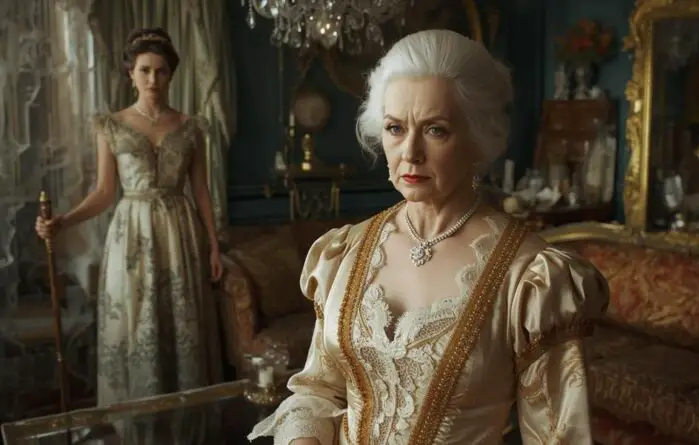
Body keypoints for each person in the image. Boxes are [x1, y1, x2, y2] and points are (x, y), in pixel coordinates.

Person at [248, 29, 610, 445]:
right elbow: (319, 389)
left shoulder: (530, 277)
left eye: (436, 130)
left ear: (478, 136)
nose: (410, 152)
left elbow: (560, 436)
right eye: (395, 128)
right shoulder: (345, 251)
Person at [35, 27, 223, 443]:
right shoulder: (113, 126)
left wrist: (213, 245)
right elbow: (104, 192)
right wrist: (63, 221)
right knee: (137, 326)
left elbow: (202, 192)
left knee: (181, 327)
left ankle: (184, 428)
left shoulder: (190, 127)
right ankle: (139, 429)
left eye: (160, 70)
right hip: (131, 235)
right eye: (144, 70)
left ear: (170, 74)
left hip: (179, 233)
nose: (153, 78)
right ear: (130, 74)